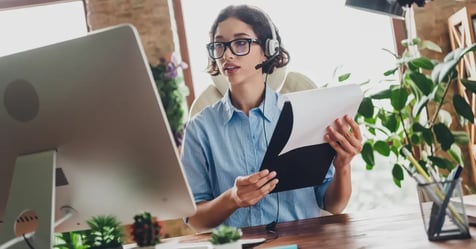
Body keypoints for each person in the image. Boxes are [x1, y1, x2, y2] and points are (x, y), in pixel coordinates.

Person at [180, 4, 362, 232]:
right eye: (219, 45)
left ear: (268, 49)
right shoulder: (200, 129)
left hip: (304, 244)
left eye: (240, 43)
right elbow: (195, 220)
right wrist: (233, 198)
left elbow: (333, 205)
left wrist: (343, 166)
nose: (226, 54)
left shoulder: (305, 115)